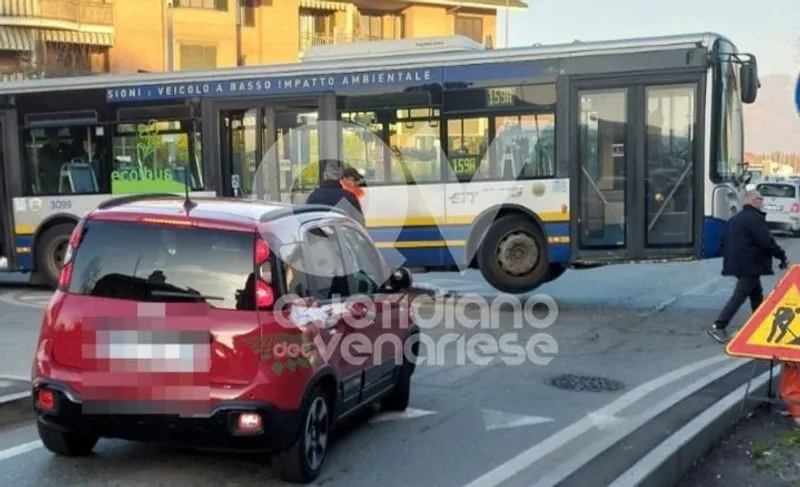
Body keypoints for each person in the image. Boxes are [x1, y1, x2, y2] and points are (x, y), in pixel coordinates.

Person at [708, 189, 789, 343]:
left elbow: (723, 240)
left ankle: (761, 326)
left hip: (740, 263)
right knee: (740, 296)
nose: (762, 202)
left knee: (756, 295)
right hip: (750, 264)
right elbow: (766, 241)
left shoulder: (736, 219)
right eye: (760, 199)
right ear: (752, 200)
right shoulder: (754, 219)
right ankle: (719, 326)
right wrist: (781, 256)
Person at [306, 160, 365, 225]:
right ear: (340, 177)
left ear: (324, 176)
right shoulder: (350, 197)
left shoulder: (313, 197)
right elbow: (360, 224)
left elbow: (308, 221)